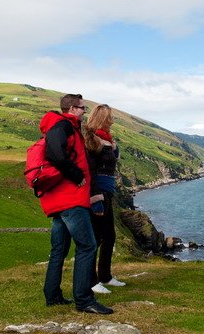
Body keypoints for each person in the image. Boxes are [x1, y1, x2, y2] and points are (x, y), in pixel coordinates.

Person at [39, 94, 113, 314]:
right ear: (72, 108)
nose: (85, 111)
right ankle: (84, 300)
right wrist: (77, 175)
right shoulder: (63, 126)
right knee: (88, 245)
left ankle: (53, 296)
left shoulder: (65, 126)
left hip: (60, 200)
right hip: (70, 199)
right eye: (82, 107)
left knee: (59, 250)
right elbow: (55, 154)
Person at [84, 104, 126, 294]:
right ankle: (92, 281)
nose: (113, 121)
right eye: (110, 118)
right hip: (99, 191)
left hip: (107, 191)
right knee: (97, 237)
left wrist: (114, 149)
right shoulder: (92, 140)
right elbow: (91, 170)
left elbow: (110, 162)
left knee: (109, 235)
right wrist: (95, 197)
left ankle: (105, 276)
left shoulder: (106, 139)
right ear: (103, 118)